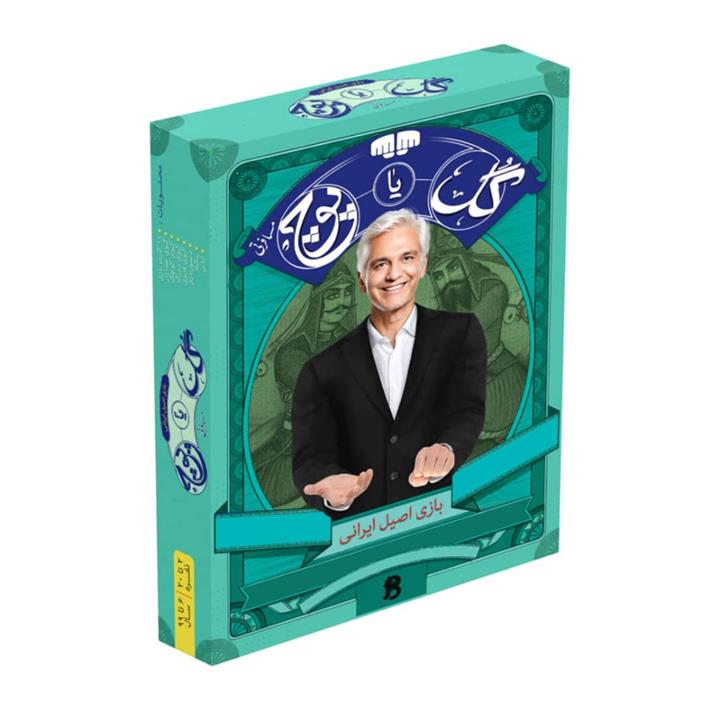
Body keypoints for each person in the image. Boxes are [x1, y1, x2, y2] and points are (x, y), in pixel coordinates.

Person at [291, 208, 486, 518]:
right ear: (362, 280)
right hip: (360, 529)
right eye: (380, 264)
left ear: (422, 265)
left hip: (441, 515)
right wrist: (333, 490)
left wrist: (447, 447)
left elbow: (468, 410)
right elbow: (310, 459)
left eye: (407, 258)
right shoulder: (321, 370)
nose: (394, 274)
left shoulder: (460, 333)